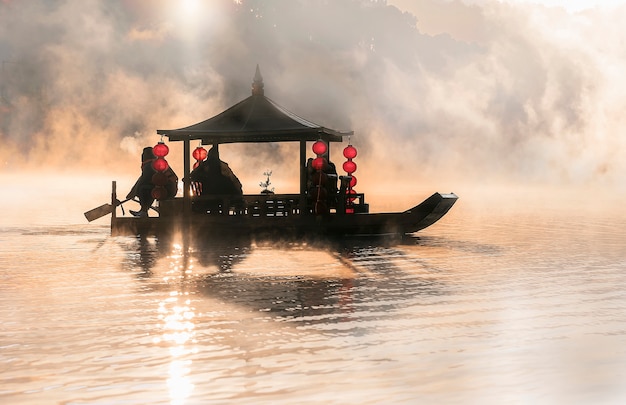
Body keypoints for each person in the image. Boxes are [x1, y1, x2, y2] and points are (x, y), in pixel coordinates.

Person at [127, 146, 178, 217]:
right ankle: (143, 210)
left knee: (143, 189)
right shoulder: (155, 163)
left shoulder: (150, 165)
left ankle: (144, 211)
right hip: (169, 188)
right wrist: (132, 191)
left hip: (167, 189)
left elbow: (143, 180)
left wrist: (133, 193)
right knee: (146, 188)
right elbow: (141, 179)